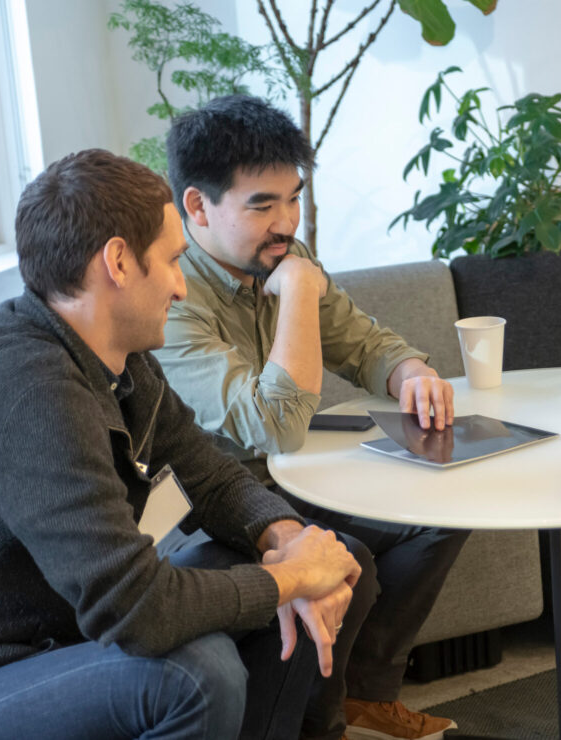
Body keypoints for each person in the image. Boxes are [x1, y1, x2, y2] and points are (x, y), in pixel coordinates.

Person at [0, 149, 364, 739]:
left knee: (335, 554)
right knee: (196, 675)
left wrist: (291, 543)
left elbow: (206, 475)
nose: (183, 288)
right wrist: (291, 579)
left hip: (62, 633)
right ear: (118, 261)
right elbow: (136, 610)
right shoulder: (32, 394)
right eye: (171, 261)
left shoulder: (120, 357)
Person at [152, 95, 469, 740]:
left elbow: (365, 342)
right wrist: (298, 289)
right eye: (261, 205)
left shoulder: (279, 257)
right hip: (212, 502)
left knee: (442, 508)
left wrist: (411, 372)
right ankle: (321, 726)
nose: (286, 221)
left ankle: (366, 699)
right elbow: (276, 424)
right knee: (347, 557)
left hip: (296, 475)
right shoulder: (175, 297)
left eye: (293, 198)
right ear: (196, 206)